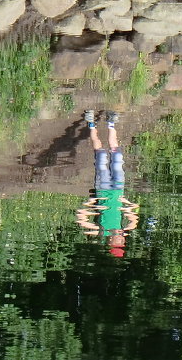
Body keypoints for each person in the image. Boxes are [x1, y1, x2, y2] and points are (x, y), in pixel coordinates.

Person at [75, 109, 139, 258]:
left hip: (102, 189)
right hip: (118, 189)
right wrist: (125, 202)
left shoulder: (101, 230)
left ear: (110, 242)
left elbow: (81, 218)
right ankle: (111, 122)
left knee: (101, 154)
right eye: (121, 242)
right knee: (117, 155)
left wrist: (93, 202)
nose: (120, 240)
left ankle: (91, 123)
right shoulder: (126, 228)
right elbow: (135, 213)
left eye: (117, 243)